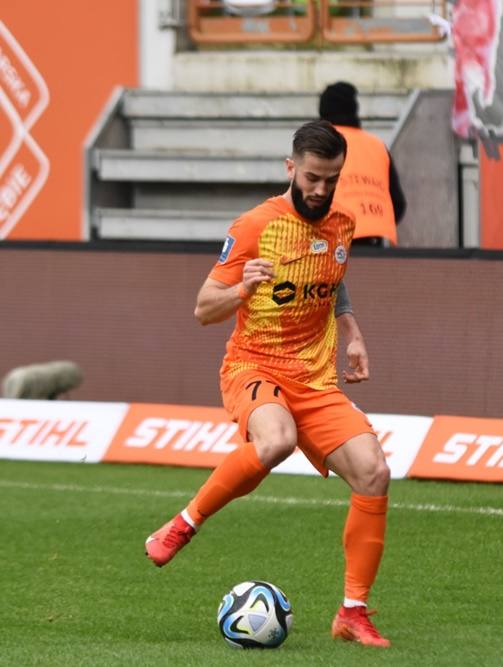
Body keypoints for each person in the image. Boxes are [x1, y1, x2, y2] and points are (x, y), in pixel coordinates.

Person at [145, 120, 393, 648]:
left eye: (331, 179)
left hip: (315, 378)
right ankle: (185, 523)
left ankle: (352, 613)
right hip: (254, 367)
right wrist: (242, 288)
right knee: (276, 439)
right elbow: (202, 308)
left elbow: (333, 278)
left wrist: (352, 333)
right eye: (312, 178)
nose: (320, 190)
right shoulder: (255, 225)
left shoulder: (343, 224)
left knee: (374, 473)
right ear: (290, 168)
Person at [319, 81, 407, 248]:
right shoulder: (377, 145)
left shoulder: (321, 143)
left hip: (333, 241)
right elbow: (398, 203)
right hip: (374, 240)